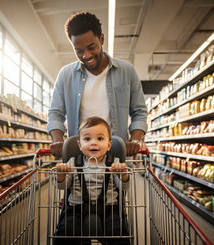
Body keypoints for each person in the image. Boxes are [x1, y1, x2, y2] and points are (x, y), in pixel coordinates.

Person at [47, 11, 148, 157]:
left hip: (117, 157)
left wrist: (135, 140)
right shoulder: (65, 75)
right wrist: (57, 141)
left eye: (91, 47)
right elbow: (56, 113)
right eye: (79, 51)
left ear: (101, 39)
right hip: (79, 159)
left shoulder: (127, 71)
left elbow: (139, 112)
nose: (86, 55)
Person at [54, 116, 130, 245]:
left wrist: (122, 174)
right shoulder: (73, 162)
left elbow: (123, 187)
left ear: (109, 145)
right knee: (66, 230)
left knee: (118, 232)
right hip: (76, 208)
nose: (93, 143)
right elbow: (64, 187)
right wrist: (61, 176)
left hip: (109, 208)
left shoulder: (114, 163)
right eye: (87, 139)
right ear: (79, 144)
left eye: (100, 138)